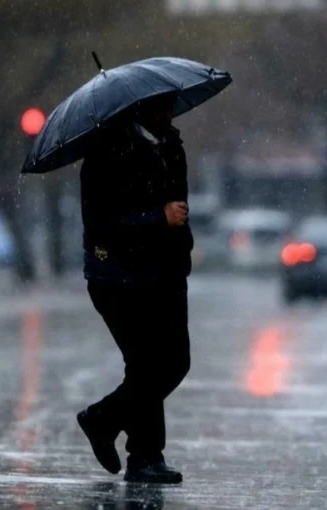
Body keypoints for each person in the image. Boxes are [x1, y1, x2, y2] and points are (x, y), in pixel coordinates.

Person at [75, 93, 192, 484]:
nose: (170, 111)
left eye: (171, 104)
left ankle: (108, 423)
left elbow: (180, 204)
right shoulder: (108, 150)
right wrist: (157, 218)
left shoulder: (170, 144)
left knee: (173, 363)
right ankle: (142, 455)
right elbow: (103, 223)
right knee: (148, 365)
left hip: (167, 272)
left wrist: (180, 243)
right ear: (139, 106)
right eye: (162, 104)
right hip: (120, 277)